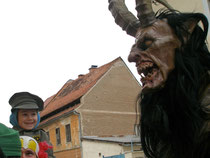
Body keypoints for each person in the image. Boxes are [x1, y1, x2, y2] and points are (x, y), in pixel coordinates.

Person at [9, 92, 55, 158]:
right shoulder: (10, 134)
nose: (30, 118)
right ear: (15, 117)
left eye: (33, 114)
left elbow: (49, 155)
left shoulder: (41, 135)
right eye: (25, 114)